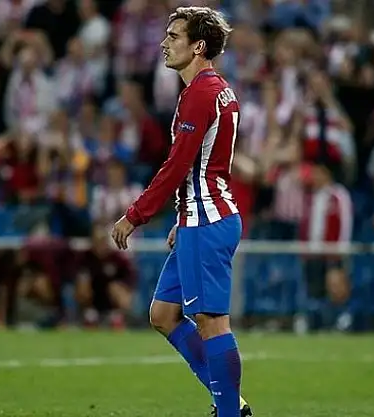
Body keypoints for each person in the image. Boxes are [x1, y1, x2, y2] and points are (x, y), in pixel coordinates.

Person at [110, 7, 251, 417]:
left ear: (198, 46)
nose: (164, 44)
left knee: (211, 322)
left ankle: (229, 411)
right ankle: (231, 403)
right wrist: (182, 215)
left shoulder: (201, 94)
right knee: (164, 313)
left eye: (174, 36)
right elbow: (202, 166)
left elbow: (177, 166)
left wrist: (135, 215)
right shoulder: (214, 89)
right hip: (200, 215)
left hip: (207, 220)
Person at [75, 223, 136, 329]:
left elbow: (130, 277)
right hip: (93, 297)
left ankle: (118, 316)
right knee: (83, 285)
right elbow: (78, 277)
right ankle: (89, 314)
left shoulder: (117, 259)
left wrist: (122, 287)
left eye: (102, 241)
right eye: (97, 242)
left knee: (116, 289)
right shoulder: (85, 258)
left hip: (111, 298)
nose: (100, 246)